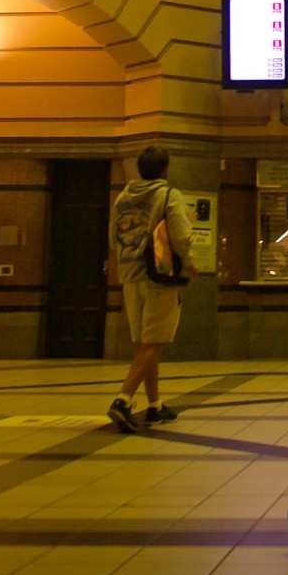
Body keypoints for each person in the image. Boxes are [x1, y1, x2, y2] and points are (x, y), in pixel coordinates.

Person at [106, 145, 194, 433]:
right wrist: (189, 261)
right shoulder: (168, 194)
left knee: (145, 341)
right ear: (165, 169)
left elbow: (113, 236)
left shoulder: (123, 197)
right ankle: (123, 399)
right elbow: (181, 235)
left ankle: (154, 405)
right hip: (160, 276)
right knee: (154, 341)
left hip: (130, 275)